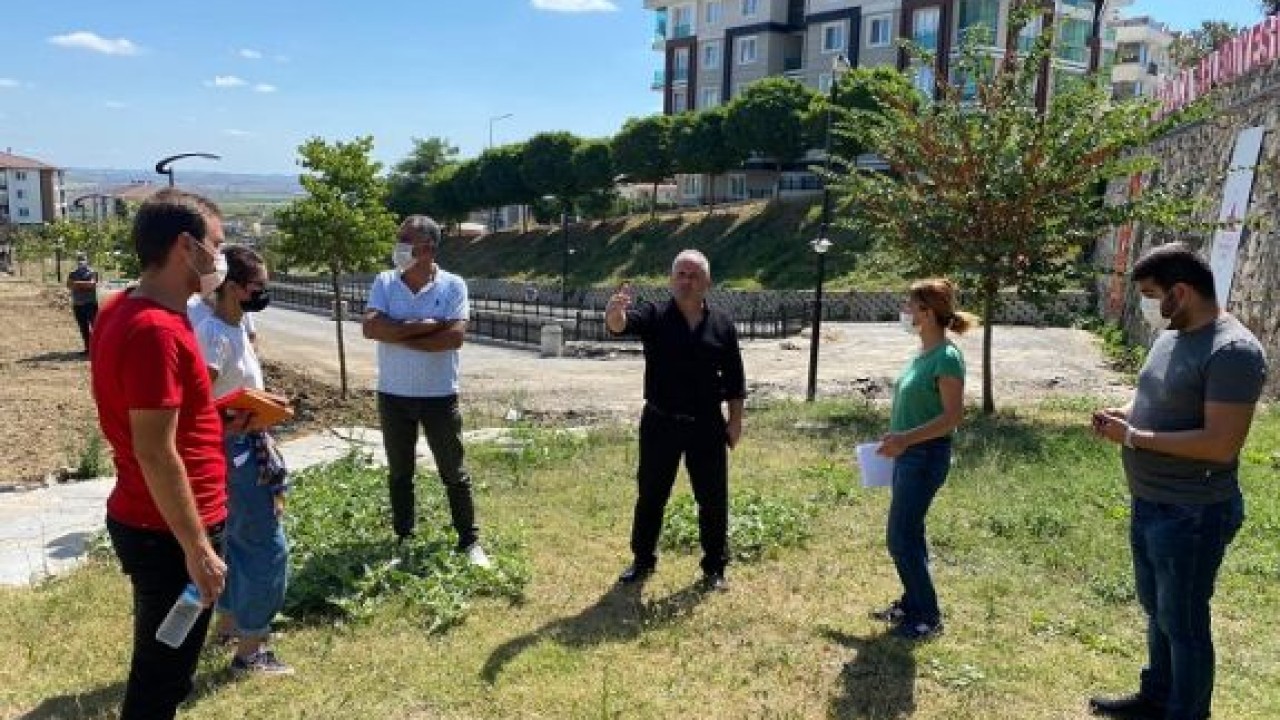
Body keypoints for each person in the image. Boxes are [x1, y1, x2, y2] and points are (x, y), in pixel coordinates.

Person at [1089, 243, 1267, 720]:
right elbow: (1152, 395)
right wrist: (1123, 414)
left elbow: (1220, 444)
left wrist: (1134, 437)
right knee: (1159, 611)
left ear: (1181, 292)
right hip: (1150, 501)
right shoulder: (1172, 336)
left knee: (1184, 623)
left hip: (1193, 512)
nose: (1147, 305)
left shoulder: (1232, 352)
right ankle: (1157, 697)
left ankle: (1186, 712)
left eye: (1151, 295)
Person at [90, 188, 240, 719]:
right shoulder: (155, 330)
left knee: (166, 666)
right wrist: (197, 551)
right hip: (169, 531)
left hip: (158, 521)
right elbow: (155, 452)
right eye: (216, 245)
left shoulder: (125, 307)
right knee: (161, 679)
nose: (220, 259)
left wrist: (219, 418)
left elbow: (159, 418)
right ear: (185, 247)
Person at [604, 249, 745, 591]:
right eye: (681, 274)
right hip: (661, 422)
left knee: (712, 498)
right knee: (651, 495)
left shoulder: (722, 324)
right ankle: (642, 560)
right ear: (671, 280)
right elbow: (622, 325)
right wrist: (614, 315)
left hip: (706, 424)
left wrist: (735, 421)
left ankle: (715, 566)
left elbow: (734, 378)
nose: (686, 281)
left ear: (707, 282)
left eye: (694, 275)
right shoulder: (654, 315)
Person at [361, 215, 490, 567]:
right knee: (400, 472)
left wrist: (397, 332)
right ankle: (404, 537)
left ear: (429, 248)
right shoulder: (385, 281)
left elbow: (454, 338)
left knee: (453, 471)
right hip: (393, 394)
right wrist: (425, 326)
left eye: (406, 241)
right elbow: (371, 328)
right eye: (399, 239)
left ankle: (469, 541)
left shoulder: (453, 286)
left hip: (439, 396)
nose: (399, 247)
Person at [195, 245, 294, 676]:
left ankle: (230, 624)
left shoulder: (235, 327)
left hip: (242, 446)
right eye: (258, 286)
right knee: (267, 547)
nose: (264, 292)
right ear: (233, 287)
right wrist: (229, 422)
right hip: (236, 453)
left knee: (238, 541)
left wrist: (263, 403)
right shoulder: (215, 335)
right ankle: (251, 650)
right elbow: (196, 404)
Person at [870, 278, 975, 640]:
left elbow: (952, 417)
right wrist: (897, 437)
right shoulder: (924, 353)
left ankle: (927, 616)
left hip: (924, 457)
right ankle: (912, 603)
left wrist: (905, 439)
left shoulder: (946, 356)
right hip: (909, 454)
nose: (904, 311)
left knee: (900, 537)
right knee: (910, 533)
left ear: (927, 313)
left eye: (910, 305)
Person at [66, 252, 99, 354]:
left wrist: (77, 283)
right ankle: (88, 349)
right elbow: (69, 285)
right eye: (79, 259)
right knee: (83, 328)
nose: (81, 262)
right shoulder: (72, 273)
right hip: (78, 305)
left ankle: (98, 348)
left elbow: (92, 285)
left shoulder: (92, 272)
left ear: (87, 260)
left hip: (90, 304)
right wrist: (84, 284)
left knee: (96, 327)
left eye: (83, 259)